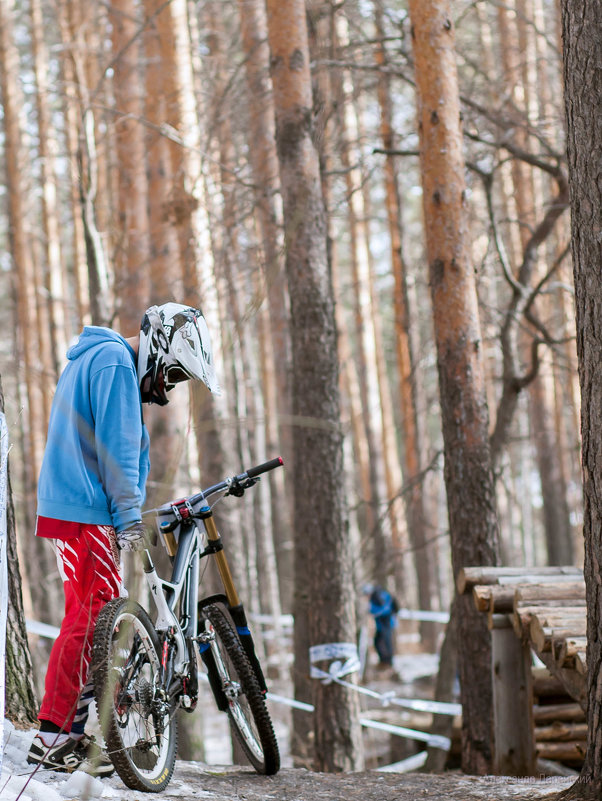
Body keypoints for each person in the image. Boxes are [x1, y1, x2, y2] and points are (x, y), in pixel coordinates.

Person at [27, 302, 219, 774]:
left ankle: (81, 733)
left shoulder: (96, 357)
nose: (167, 388)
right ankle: (54, 735)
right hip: (87, 507)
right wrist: (128, 516)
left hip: (71, 505)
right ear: (158, 348)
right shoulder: (113, 360)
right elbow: (117, 449)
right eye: (172, 374)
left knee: (93, 616)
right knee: (96, 615)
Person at [364, 584, 399, 669]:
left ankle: (388, 662)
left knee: (386, 642)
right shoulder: (378, 595)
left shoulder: (379, 596)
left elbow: (386, 609)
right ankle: (384, 661)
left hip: (386, 623)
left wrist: (373, 611)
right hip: (381, 624)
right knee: (377, 642)